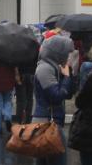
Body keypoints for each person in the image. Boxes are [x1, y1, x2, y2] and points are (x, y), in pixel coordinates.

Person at [32, 35, 75, 165]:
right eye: (67, 53)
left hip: (52, 120)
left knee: (44, 161)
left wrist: (68, 74)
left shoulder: (55, 67)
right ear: (58, 52)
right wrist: (66, 78)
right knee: (57, 160)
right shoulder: (45, 68)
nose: (68, 56)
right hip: (46, 122)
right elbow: (56, 96)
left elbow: (68, 94)